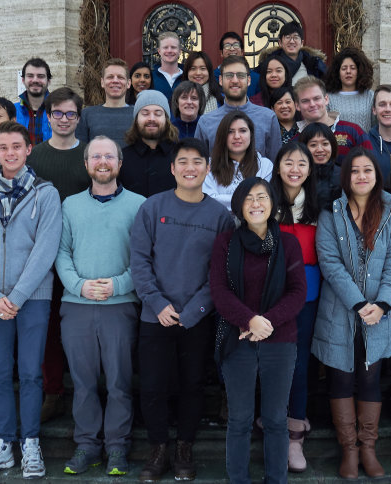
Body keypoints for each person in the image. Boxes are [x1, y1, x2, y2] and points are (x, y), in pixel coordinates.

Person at [130, 138, 234, 481]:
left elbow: (219, 273)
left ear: (208, 168)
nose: (191, 168)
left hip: (197, 319)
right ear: (172, 168)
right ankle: (158, 448)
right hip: (154, 316)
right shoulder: (152, 207)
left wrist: (193, 312)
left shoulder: (219, 217)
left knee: (192, 385)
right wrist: (157, 303)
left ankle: (184, 448)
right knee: (152, 387)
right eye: (183, 162)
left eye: (197, 162)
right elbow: (139, 261)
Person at [0, 121, 62, 479]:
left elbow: (46, 248)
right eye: (3, 147)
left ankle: (31, 442)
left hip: (32, 298)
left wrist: (18, 295)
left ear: (28, 149)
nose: (10, 153)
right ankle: (4, 443)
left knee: (31, 373)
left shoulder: (45, 194)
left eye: (16, 146)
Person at [312, 147, 391, 479]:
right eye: (354, 171)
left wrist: (382, 304)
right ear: (345, 177)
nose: (361, 176)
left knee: (370, 379)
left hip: (378, 312)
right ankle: (349, 449)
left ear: (377, 176)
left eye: (367, 170)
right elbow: (329, 263)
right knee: (340, 377)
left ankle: (368, 447)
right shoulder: (331, 211)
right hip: (339, 309)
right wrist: (358, 303)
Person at [56, 136, 145, 476]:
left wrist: (119, 285)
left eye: (109, 156)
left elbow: (144, 258)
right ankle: (87, 446)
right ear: (86, 164)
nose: (103, 162)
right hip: (77, 305)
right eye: (96, 157)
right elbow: (61, 252)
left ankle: (117, 447)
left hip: (120, 306)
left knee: (120, 382)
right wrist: (79, 286)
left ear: (120, 163)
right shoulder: (70, 205)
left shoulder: (139, 205)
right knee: (83, 383)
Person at [210, 177, 306, 484]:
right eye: (249, 198)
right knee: (239, 419)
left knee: (276, 419)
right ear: (239, 206)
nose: (255, 203)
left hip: (280, 340)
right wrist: (249, 320)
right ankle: (238, 478)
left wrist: (267, 322)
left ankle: (276, 479)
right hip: (237, 339)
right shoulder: (225, 243)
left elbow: (297, 292)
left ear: (273, 204)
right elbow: (219, 291)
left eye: (262, 197)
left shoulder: (288, 244)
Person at [27, 86, 91, 424]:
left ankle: (87, 392)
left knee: (81, 328)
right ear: (47, 117)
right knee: (48, 327)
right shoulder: (34, 157)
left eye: (70, 113)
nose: (64, 119)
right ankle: (53, 391)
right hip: (43, 254)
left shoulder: (91, 155)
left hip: (84, 255)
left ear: (78, 118)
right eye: (57, 113)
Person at [270, 142, 320, 472]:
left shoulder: (317, 208)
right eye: (289, 162)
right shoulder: (263, 202)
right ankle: (272, 422)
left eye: (302, 163)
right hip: (269, 295)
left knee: (298, 362)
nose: (295, 169)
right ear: (278, 167)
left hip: (307, 294)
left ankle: (294, 434)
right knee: (272, 362)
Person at [195, 55, 282, 161]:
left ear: (248, 80)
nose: (235, 80)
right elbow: (199, 164)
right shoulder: (206, 122)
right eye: (229, 75)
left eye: (240, 75)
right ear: (221, 80)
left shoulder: (268, 118)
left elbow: (275, 164)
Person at [203, 111, 273, 211]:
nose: (236, 136)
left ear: (251, 134)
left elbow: (264, 200)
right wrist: (249, 198)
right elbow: (209, 200)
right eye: (230, 131)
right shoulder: (208, 165)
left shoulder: (265, 165)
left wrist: (223, 198)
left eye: (242, 131)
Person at [294, 76, 373, 164]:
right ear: (297, 106)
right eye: (305, 101)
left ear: (326, 99)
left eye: (316, 98)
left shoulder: (353, 131)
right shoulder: (295, 141)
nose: (312, 104)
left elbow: (371, 166)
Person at [120, 90, 179, 198]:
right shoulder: (122, 159)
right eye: (145, 113)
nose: (151, 119)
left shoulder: (180, 156)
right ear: (136, 119)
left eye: (158, 113)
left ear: (166, 119)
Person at [75, 58, 134, 148]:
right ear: (102, 82)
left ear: (128, 83)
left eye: (120, 77)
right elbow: (81, 150)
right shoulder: (87, 114)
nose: (115, 81)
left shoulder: (138, 114)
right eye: (110, 77)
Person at [325, 47, 375, 131]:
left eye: (353, 68)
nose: (348, 71)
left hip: (365, 139)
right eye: (344, 68)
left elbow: (376, 126)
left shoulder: (370, 96)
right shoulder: (328, 97)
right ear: (337, 72)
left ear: (359, 71)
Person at [298, 122, 341, 211]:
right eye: (313, 145)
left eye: (325, 144)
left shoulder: (344, 175)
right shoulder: (297, 175)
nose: (320, 149)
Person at [15, 57, 53, 145]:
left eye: (40, 76)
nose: (35, 80)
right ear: (23, 80)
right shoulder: (12, 111)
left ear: (48, 81)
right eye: (30, 76)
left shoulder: (60, 112)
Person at [214, 31, 260, 97]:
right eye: (227, 46)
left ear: (242, 52)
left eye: (236, 45)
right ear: (221, 53)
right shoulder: (212, 77)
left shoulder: (256, 78)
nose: (232, 49)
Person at [152, 32, 184, 102]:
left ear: (180, 51)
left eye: (173, 47)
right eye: (165, 47)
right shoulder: (151, 76)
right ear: (159, 51)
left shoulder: (188, 76)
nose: (169, 51)